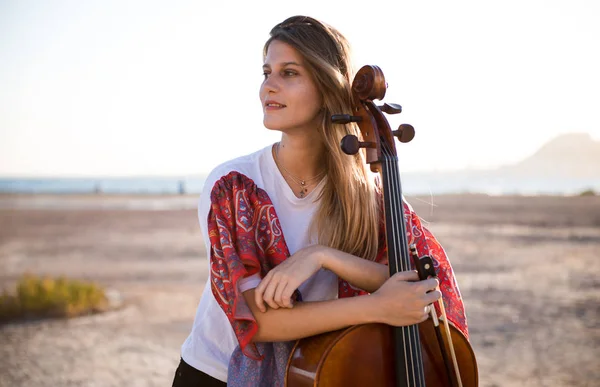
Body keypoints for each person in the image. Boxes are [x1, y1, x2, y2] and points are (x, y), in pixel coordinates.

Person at [172, 15, 468, 387]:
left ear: (327, 87)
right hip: (216, 376)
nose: (269, 87)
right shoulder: (233, 187)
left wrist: (323, 256)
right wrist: (375, 307)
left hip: (316, 374)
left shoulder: (366, 194)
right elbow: (257, 322)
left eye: (289, 73)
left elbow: (414, 280)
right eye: (267, 73)